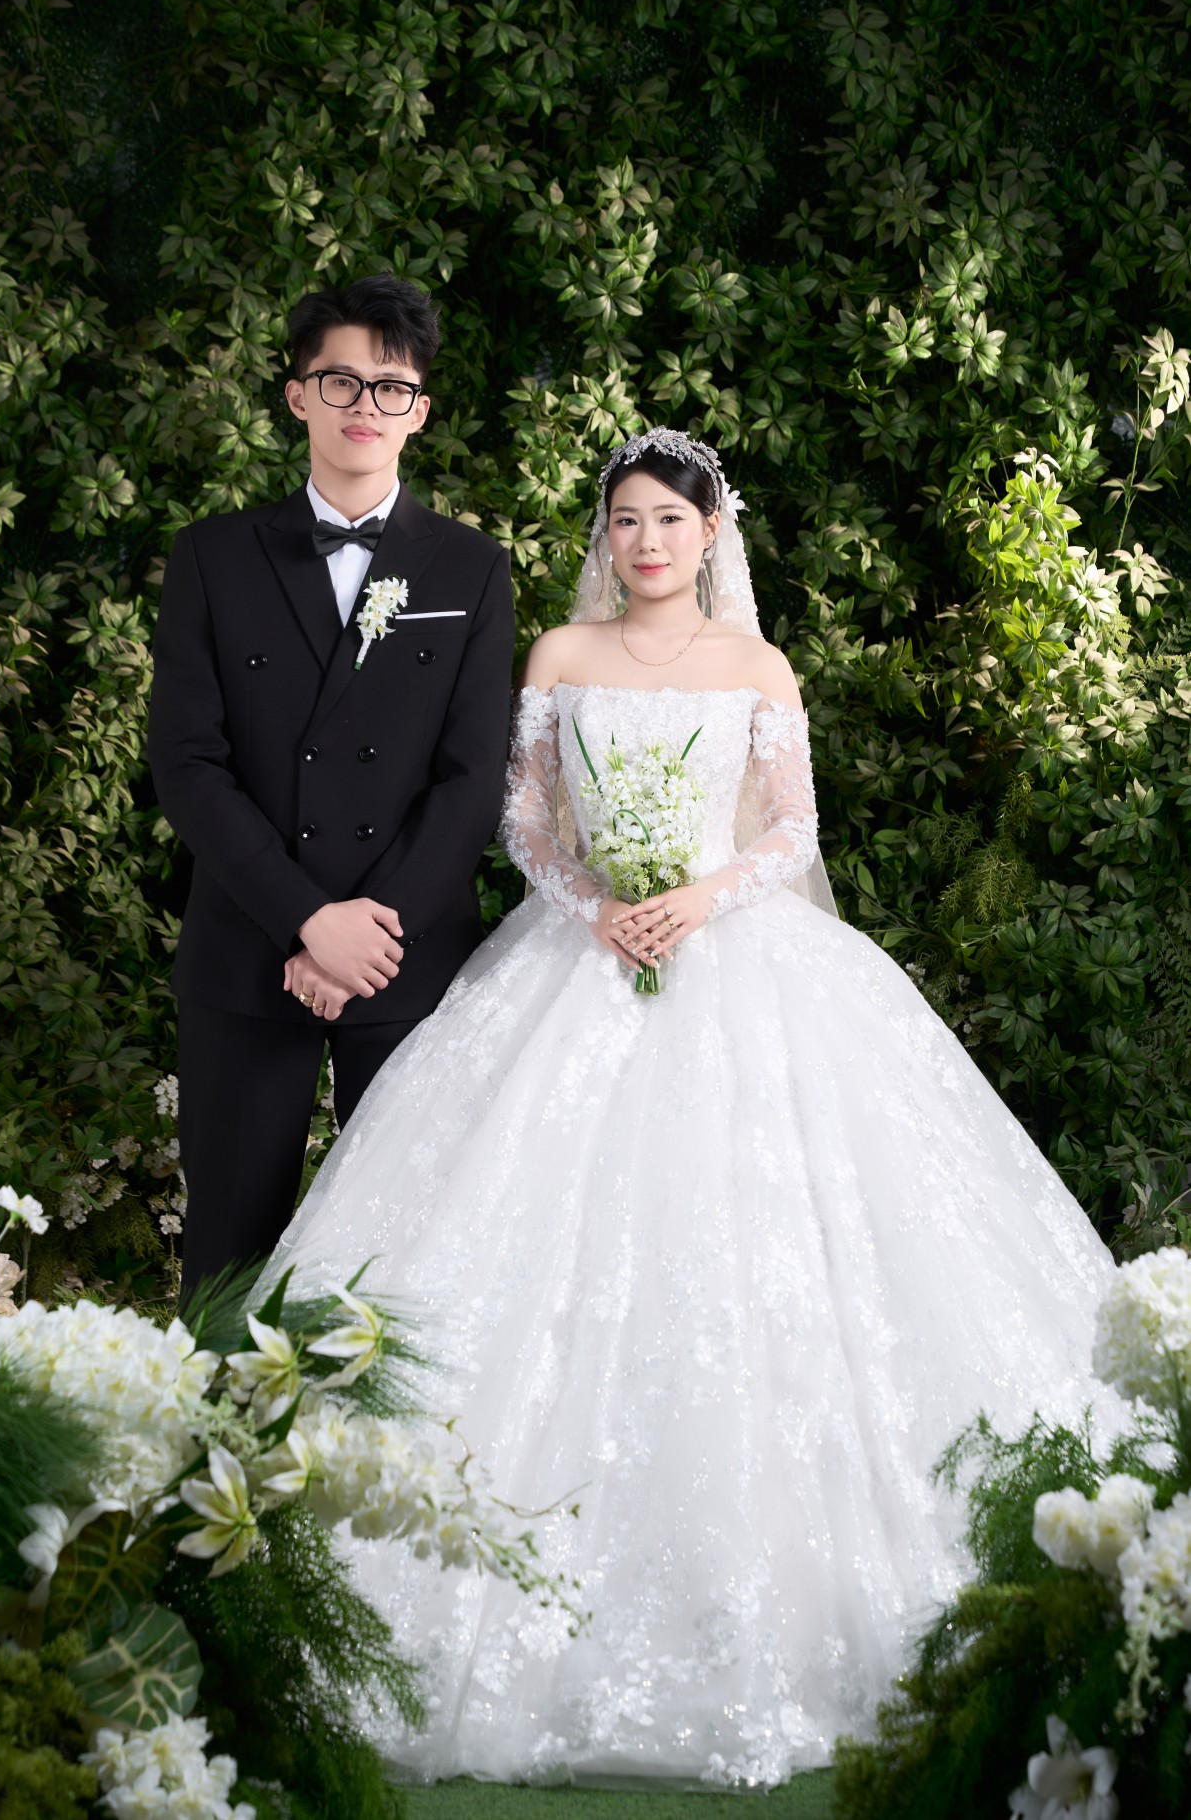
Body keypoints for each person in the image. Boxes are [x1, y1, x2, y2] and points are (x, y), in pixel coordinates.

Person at [256, 428, 1120, 1789]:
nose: (646, 540)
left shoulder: (756, 668)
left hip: (736, 955)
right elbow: (523, 821)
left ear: (712, 532)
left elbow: (789, 832)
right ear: (603, 537)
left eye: (669, 518)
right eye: (626, 520)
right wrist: (595, 902)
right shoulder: (560, 653)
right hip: (576, 953)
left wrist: (697, 897)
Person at [148, 275, 515, 1298]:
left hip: (408, 960)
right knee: (227, 1251)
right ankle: (214, 1409)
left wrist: (368, 933)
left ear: (420, 410)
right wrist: (308, 921)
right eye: (341, 381)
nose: (366, 406)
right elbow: (187, 762)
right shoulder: (211, 557)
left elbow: (471, 778)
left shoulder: (471, 569)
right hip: (246, 950)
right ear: (297, 395)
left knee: (400, 1268)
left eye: (391, 387)